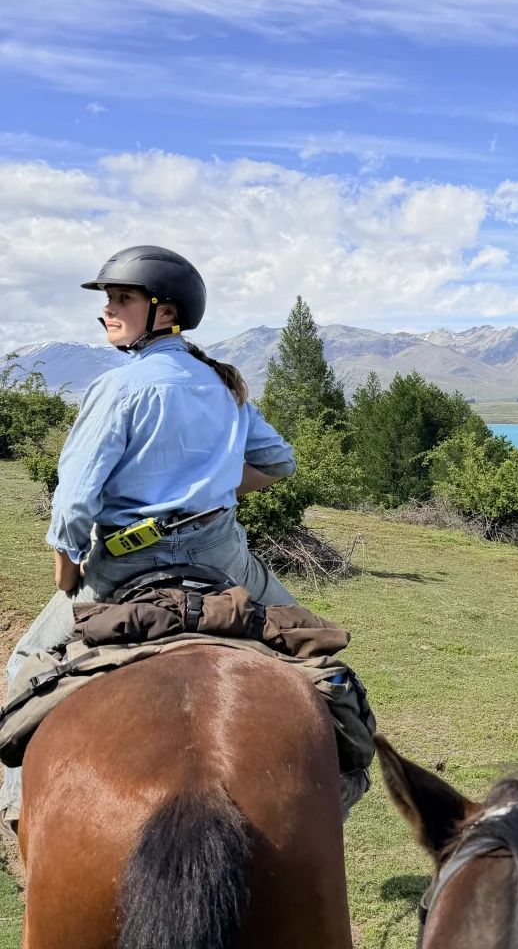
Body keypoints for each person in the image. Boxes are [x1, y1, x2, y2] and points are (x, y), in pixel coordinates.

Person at [1, 246, 304, 827]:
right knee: (307, 647)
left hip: (122, 566)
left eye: (122, 299)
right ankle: (344, 776)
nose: (108, 311)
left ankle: (18, 813)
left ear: (165, 313)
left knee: (25, 662)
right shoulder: (223, 384)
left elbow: (75, 501)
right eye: (108, 301)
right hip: (222, 555)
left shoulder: (119, 387)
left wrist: (68, 570)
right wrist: (209, 491)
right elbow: (278, 463)